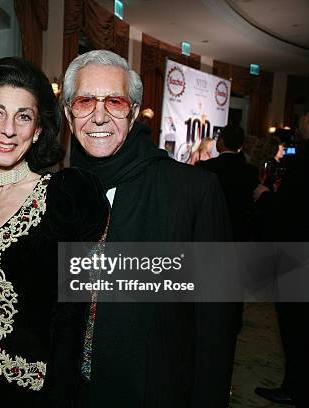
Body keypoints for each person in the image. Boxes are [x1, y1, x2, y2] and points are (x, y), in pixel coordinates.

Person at [63, 50, 238, 408]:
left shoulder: (194, 193)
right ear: (68, 114)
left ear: (134, 110)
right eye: (84, 101)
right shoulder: (57, 191)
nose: (99, 116)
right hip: (70, 392)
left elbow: (216, 328)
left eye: (114, 101)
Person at [0, 57, 109, 407]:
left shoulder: (61, 199)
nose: (9, 129)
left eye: (23, 117)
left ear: (38, 131)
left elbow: (70, 321)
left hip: (36, 395)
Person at [254, 112, 309, 407]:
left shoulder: (301, 163)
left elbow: (289, 213)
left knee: (295, 326)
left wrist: (265, 196)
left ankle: (295, 388)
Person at [197, 124, 259, 241]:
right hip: (240, 233)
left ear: (221, 141)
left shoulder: (206, 167)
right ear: (241, 145)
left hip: (211, 231)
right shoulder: (251, 171)